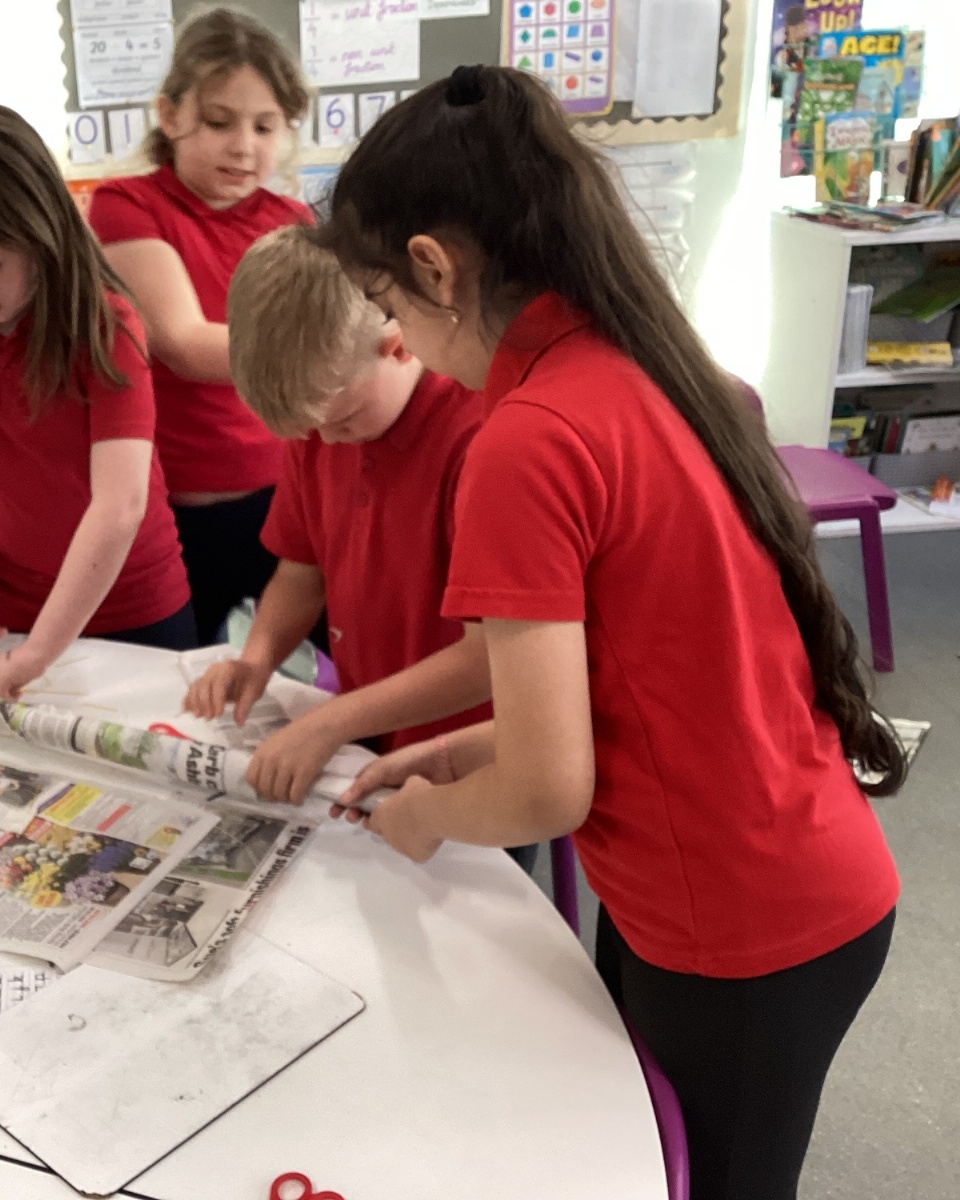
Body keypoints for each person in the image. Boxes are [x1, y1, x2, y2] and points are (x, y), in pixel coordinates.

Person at [321, 66, 902, 1200]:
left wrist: (428, 817)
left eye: (388, 305)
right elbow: (649, 674)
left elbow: (549, 793)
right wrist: (458, 750)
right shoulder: (638, 360)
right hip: (772, 873)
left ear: (434, 268)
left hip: (745, 924)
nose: (402, 338)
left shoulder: (526, 438)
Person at [182, 225, 494, 806]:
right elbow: (302, 571)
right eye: (311, 429)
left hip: (470, 751)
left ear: (398, 344)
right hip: (368, 723)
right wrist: (256, 659)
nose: (327, 440)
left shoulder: (480, 438)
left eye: (343, 420)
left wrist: (331, 722)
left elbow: (490, 659)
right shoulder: (321, 424)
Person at [0, 102, 194, 700]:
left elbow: (120, 505)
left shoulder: (105, 325)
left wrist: (37, 654)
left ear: (40, 228)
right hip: (12, 611)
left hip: (132, 610)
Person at [88, 7, 313, 644]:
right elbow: (184, 345)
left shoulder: (292, 220)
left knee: (348, 653)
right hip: (180, 512)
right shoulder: (127, 205)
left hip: (287, 500)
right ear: (170, 115)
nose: (243, 146)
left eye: (265, 126)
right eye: (219, 122)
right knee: (180, 676)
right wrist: (326, 350)